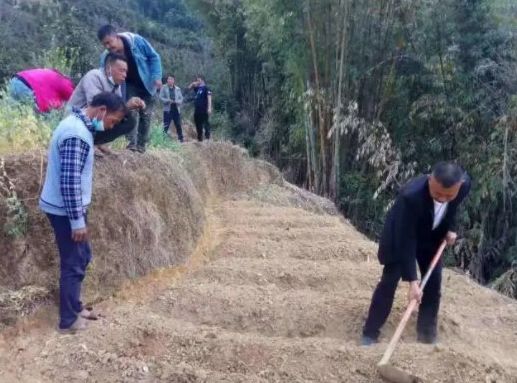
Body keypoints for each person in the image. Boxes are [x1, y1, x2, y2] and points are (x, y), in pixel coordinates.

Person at [39, 92, 127, 333]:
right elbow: (69, 182)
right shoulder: (76, 134)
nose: (111, 126)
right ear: (101, 111)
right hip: (65, 211)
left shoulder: (78, 125)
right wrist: (77, 221)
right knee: (73, 263)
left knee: (82, 256)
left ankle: (76, 307)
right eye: (112, 121)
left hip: (66, 208)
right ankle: (68, 321)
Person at [361, 162, 471, 345]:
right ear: (430, 180)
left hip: (432, 237)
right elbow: (406, 240)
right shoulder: (410, 197)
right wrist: (412, 282)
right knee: (389, 281)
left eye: (448, 195)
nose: (442, 199)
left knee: (433, 286)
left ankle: (426, 336)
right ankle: (370, 333)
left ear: (459, 186)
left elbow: (454, 206)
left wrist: (451, 228)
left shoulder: (463, 187)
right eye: (437, 194)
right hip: (401, 235)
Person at [98, 24, 162, 153]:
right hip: (129, 85)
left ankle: (141, 147)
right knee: (130, 112)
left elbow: (154, 57)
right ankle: (131, 145)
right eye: (104, 45)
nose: (108, 47)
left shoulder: (136, 41)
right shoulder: (106, 56)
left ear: (116, 36)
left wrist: (156, 76)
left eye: (109, 42)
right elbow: (103, 75)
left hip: (147, 83)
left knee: (146, 115)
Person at [67, 52, 145, 155]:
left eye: (126, 72)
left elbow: (117, 110)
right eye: (122, 71)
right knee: (103, 115)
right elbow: (96, 108)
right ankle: (89, 142)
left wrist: (134, 105)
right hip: (77, 120)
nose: (125, 75)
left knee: (129, 120)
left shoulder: (116, 85)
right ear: (109, 68)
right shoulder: (94, 76)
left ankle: (98, 142)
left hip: (95, 119)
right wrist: (126, 106)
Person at [9, 68, 74, 113]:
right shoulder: (65, 83)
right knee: (36, 119)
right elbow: (74, 100)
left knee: (17, 117)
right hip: (26, 87)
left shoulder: (52, 75)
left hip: (14, 81)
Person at [160, 75, 184, 142]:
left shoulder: (177, 89)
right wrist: (167, 100)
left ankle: (181, 138)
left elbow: (181, 98)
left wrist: (177, 102)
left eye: (171, 79)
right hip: (167, 109)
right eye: (169, 79)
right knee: (166, 124)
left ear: (174, 80)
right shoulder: (164, 87)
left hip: (176, 108)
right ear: (167, 80)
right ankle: (163, 139)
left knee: (178, 124)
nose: (170, 80)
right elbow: (161, 97)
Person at [188, 75, 212, 142]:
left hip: (204, 109)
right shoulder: (197, 89)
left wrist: (209, 108)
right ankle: (200, 138)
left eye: (199, 80)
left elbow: (209, 98)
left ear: (202, 80)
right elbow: (189, 88)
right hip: (197, 110)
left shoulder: (206, 88)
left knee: (205, 123)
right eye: (197, 80)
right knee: (198, 124)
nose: (197, 82)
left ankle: (207, 138)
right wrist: (193, 83)